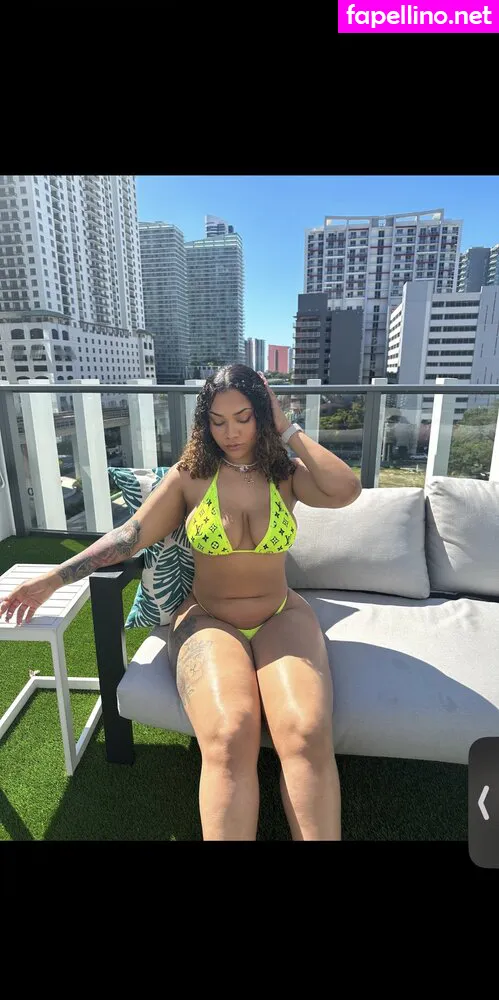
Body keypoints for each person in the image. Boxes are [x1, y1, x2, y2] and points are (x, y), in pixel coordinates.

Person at [0, 364, 362, 841]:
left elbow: (346, 489)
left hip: (281, 615)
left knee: (306, 732)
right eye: (217, 420)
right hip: (209, 620)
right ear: (203, 422)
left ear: (262, 414)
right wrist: (54, 577)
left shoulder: (286, 475)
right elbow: (129, 537)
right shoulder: (192, 476)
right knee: (229, 736)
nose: (231, 432)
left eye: (244, 417)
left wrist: (286, 427)